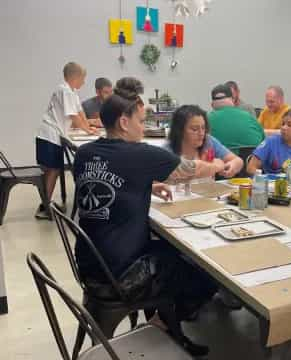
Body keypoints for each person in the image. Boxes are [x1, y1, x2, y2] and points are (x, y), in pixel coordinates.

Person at [74, 77, 222, 357]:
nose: (144, 129)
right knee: (205, 271)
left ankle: (163, 320)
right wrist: (217, 164)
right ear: (123, 122)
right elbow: (190, 169)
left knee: (171, 250)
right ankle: (166, 324)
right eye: (141, 122)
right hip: (120, 272)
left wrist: (148, 185)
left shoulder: (84, 153)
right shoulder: (138, 155)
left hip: (89, 261)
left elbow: (101, 185)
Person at [35, 62, 96, 219]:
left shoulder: (71, 91)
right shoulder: (65, 91)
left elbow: (80, 112)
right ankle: (45, 207)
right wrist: (86, 129)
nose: (83, 82)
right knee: (52, 170)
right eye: (83, 78)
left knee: (53, 169)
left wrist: (88, 127)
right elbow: (73, 117)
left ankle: (46, 204)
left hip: (52, 135)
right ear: (75, 76)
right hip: (50, 135)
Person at [166, 104, 244, 179]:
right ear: (179, 131)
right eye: (194, 129)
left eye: (203, 128)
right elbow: (194, 169)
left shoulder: (209, 141)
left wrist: (233, 166)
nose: (201, 133)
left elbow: (238, 160)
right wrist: (216, 166)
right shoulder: (167, 151)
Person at [247, 108, 291, 175]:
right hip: (269, 183)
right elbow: (251, 168)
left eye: (289, 125)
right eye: (283, 124)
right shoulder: (270, 142)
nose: (284, 128)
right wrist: (264, 178)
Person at [208, 83, 265, 154]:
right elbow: (263, 142)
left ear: (212, 105)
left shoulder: (206, 121)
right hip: (251, 162)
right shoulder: (249, 116)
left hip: (223, 163)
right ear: (232, 100)